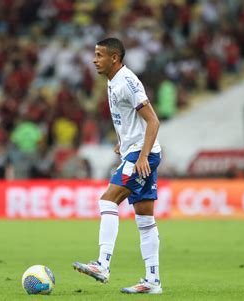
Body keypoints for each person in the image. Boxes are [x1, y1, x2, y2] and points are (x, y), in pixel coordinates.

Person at [72, 38, 162, 294]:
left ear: (114, 58)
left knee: (108, 201)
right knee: (144, 219)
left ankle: (103, 264)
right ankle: (153, 281)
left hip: (141, 155)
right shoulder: (113, 81)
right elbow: (130, 119)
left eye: (99, 55)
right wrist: (122, 141)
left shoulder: (127, 82)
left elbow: (153, 122)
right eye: (94, 54)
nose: (94, 59)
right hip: (134, 151)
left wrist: (142, 156)